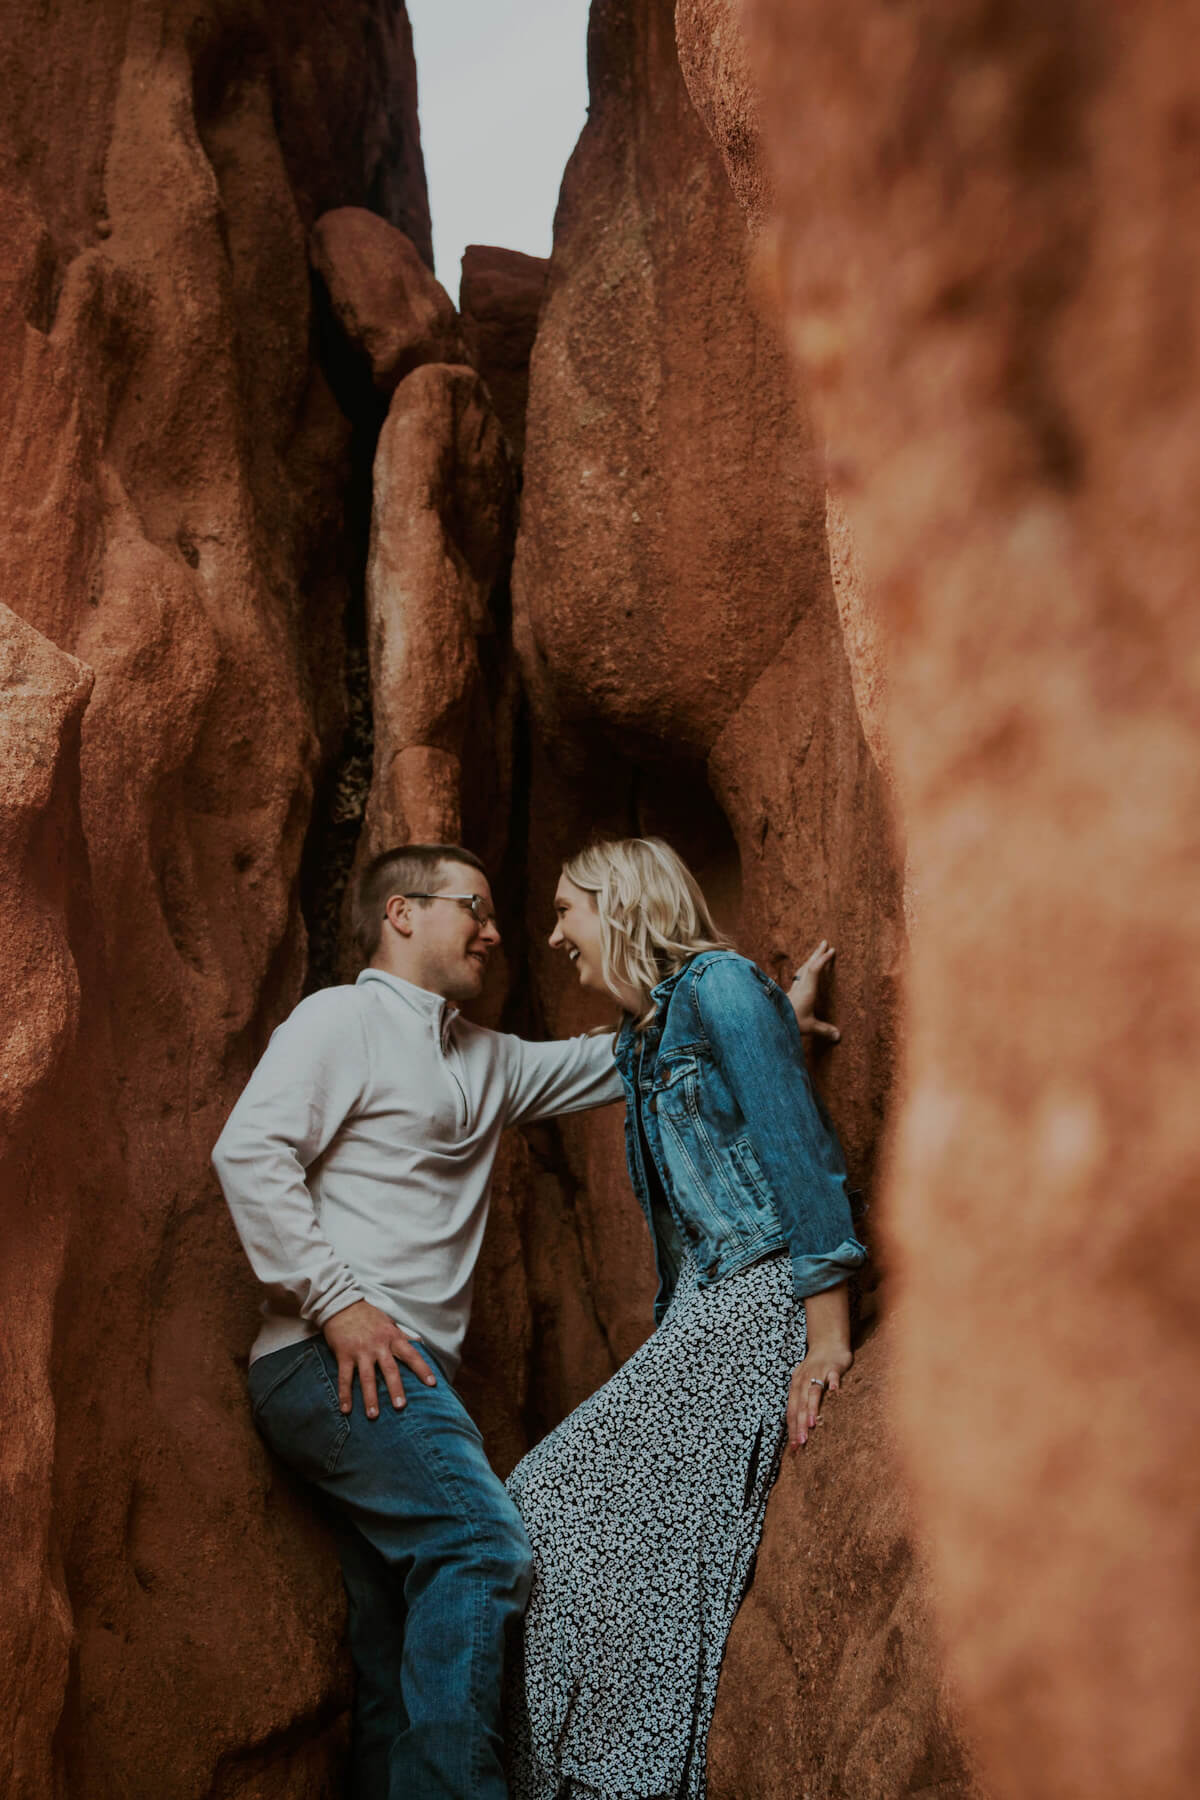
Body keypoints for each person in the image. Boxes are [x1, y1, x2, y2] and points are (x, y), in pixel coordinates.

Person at [212, 843, 628, 1800]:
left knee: (394, 1636)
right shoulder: (342, 1018)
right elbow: (249, 1150)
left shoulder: (486, 1059)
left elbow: (612, 1060)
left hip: (391, 1374)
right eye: (473, 907)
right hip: (329, 1358)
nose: (495, 931)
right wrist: (337, 1302)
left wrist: (761, 1013)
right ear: (402, 913)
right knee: (480, 1546)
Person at [505, 837, 866, 1800]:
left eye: (566, 909)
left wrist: (827, 1338)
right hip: (702, 1316)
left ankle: (631, 1777)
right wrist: (778, 1026)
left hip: (764, 1298)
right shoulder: (643, 1038)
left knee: (547, 1498)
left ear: (621, 903)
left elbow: (798, 1153)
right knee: (555, 1519)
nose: (554, 936)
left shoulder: (721, 987)